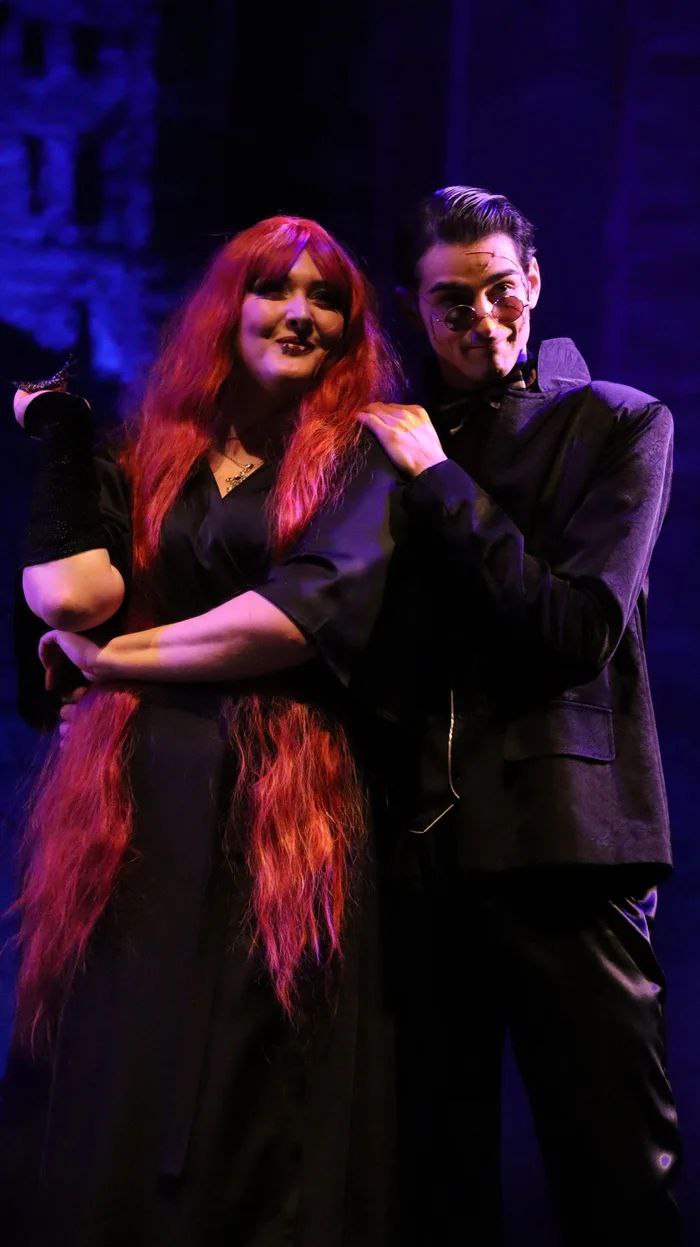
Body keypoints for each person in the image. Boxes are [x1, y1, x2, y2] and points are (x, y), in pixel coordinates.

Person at [1, 215, 405, 1247]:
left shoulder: (361, 462)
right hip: (141, 796)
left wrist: (110, 664)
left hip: (283, 803)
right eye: (276, 289)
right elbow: (69, 597)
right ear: (230, 308)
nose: (301, 313)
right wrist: (61, 437)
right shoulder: (149, 453)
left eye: (325, 299)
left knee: (250, 1072)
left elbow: (294, 619)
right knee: (127, 1052)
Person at [358, 186, 681, 1246]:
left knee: (614, 1178)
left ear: (533, 283)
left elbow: (575, 629)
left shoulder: (618, 422)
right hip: (419, 851)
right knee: (431, 1184)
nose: (483, 318)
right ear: (417, 307)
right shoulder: (383, 440)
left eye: (500, 289)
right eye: (452, 301)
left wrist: (439, 477)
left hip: (566, 846)